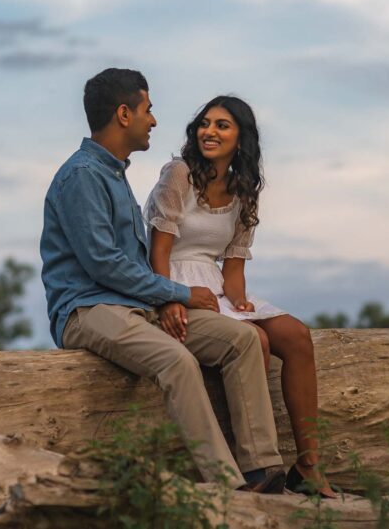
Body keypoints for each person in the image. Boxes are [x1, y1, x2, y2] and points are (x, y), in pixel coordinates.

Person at [40, 68, 286, 493]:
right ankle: (229, 488)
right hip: (88, 309)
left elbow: (130, 262)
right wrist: (177, 292)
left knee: (242, 341)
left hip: (135, 306)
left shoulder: (114, 173)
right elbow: (104, 265)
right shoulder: (81, 176)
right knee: (176, 361)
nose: (153, 120)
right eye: (147, 110)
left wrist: (168, 300)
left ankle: (261, 470)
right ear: (123, 114)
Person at [144, 95, 336, 498]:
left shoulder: (244, 189)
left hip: (215, 286)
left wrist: (241, 305)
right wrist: (168, 299)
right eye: (205, 123)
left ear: (240, 138)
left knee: (297, 337)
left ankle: (308, 466)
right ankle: (252, 464)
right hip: (174, 280)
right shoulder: (179, 174)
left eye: (222, 126)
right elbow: (158, 250)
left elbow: (233, 270)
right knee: (257, 341)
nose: (209, 132)